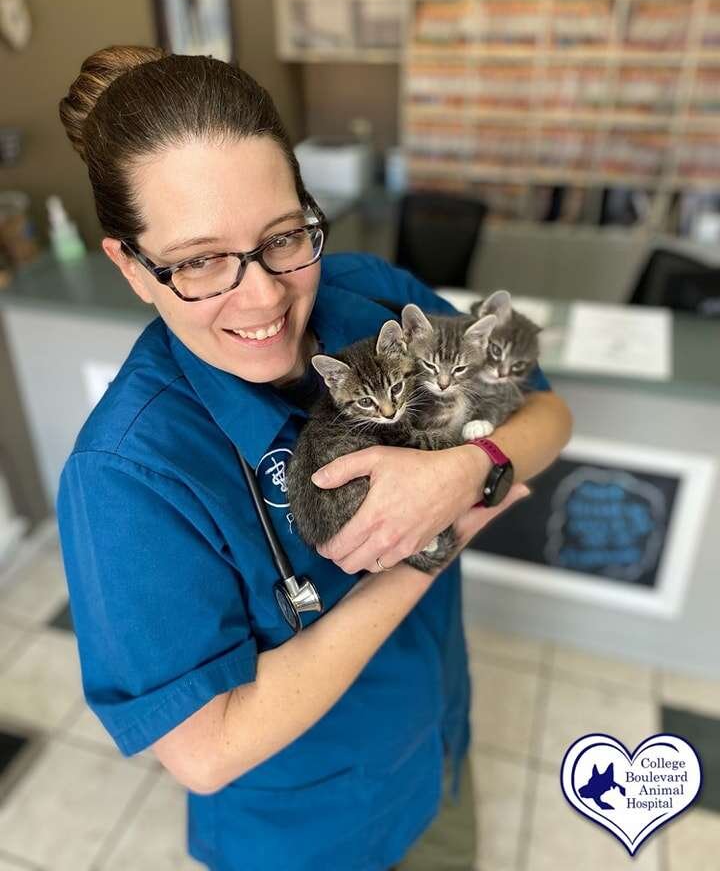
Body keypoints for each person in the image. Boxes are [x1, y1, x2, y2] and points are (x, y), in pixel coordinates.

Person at [56, 46, 572, 871]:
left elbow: (548, 411)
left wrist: (466, 471)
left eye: (284, 237)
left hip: (437, 746)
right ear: (131, 267)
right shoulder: (128, 474)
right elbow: (205, 750)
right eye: (198, 262)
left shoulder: (368, 291)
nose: (263, 296)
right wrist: (425, 547)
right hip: (313, 837)